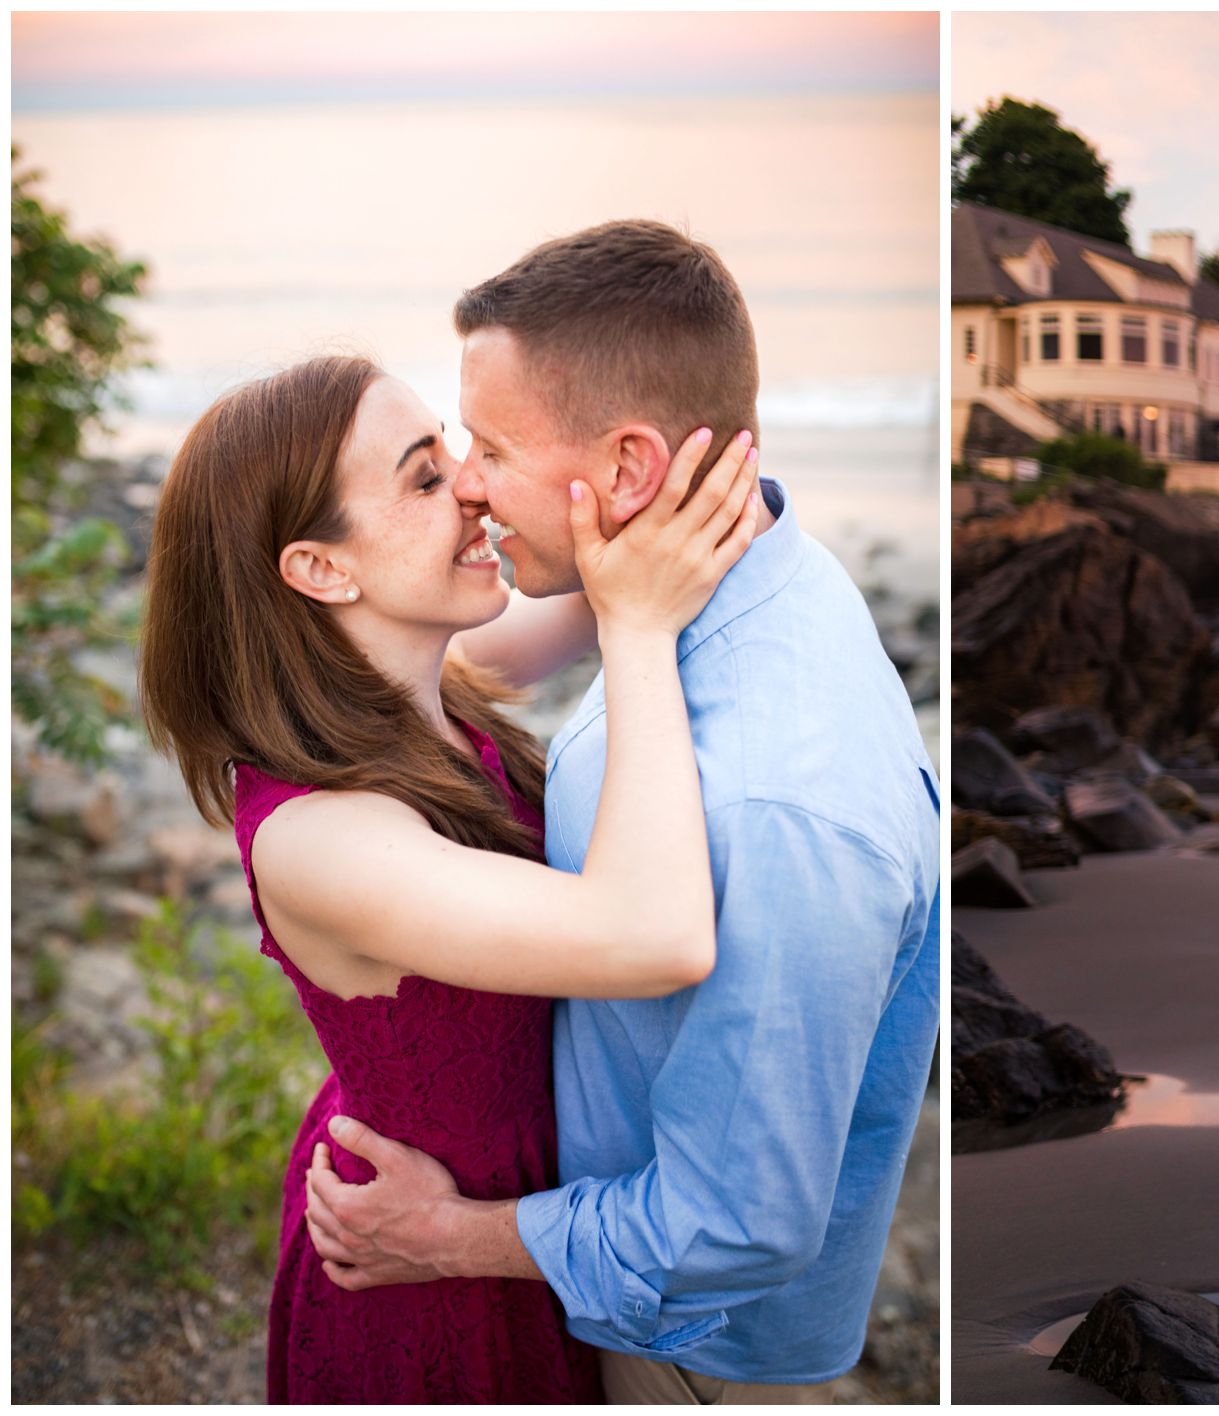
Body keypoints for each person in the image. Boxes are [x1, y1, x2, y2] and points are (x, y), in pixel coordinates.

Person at [298, 220, 944, 1403]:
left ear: (634, 470)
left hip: (681, 1350)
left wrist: (449, 1239)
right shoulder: (717, 574)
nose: (470, 480)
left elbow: (734, 1228)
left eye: (488, 445)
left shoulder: (769, 804)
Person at [140, 352, 764, 1402]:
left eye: (464, 454)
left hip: (505, 1216)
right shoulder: (321, 840)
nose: (473, 487)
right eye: (426, 477)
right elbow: (656, 936)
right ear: (321, 570)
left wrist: (645, 461)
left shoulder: (439, 685)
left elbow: (601, 569)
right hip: (424, 1267)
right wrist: (641, 630)